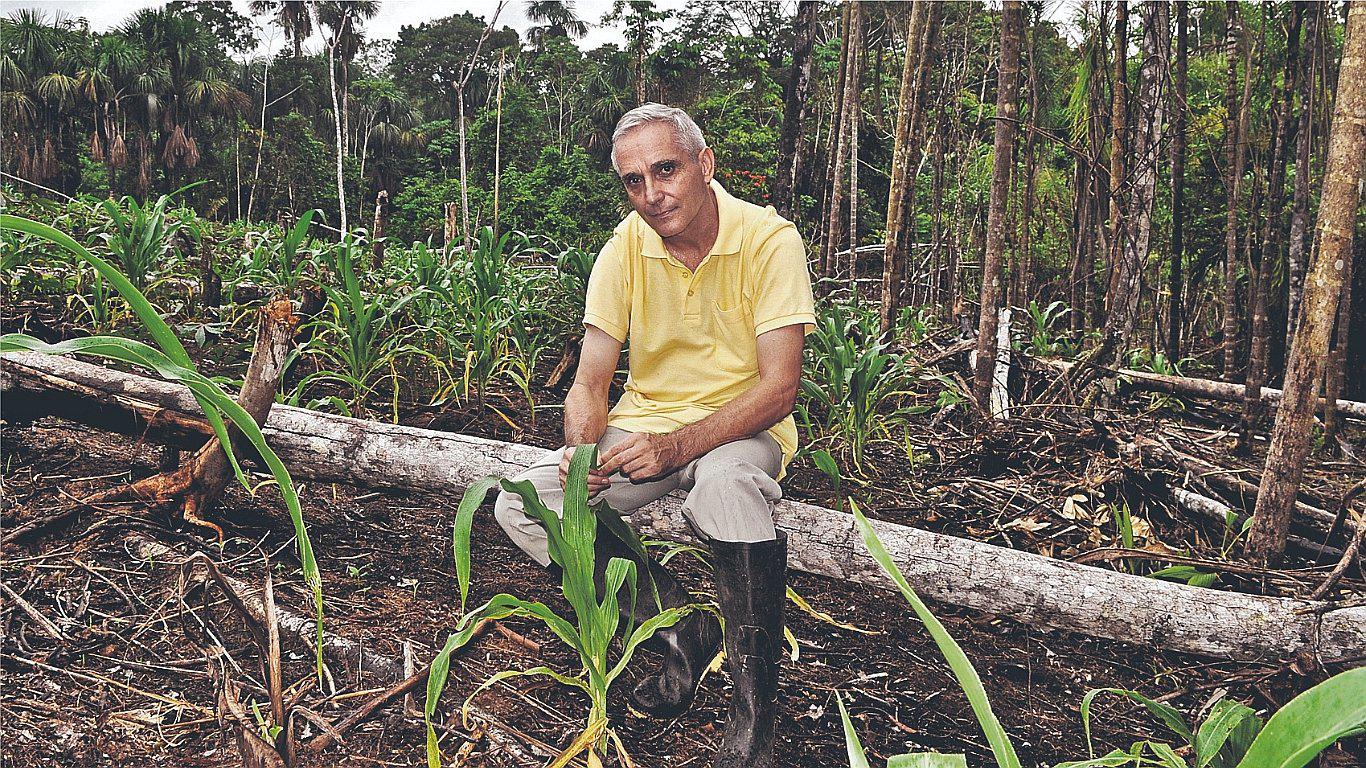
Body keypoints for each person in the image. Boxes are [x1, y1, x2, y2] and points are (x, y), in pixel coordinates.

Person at [493, 103, 815, 767]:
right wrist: (584, 455)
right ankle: (674, 630)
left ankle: (756, 717)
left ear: (705, 165)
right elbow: (589, 382)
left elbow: (779, 387)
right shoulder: (625, 248)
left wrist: (680, 447)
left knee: (726, 489)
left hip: (739, 424)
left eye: (665, 170)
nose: (651, 193)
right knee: (523, 503)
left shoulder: (768, 240)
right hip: (645, 425)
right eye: (634, 181)